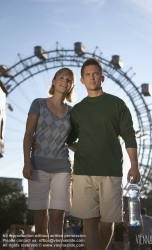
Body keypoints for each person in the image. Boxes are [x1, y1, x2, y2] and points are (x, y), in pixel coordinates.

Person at [67, 58, 140, 250]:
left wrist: (134, 165)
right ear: (82, 80)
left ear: (102, 77)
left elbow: (129, 135)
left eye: (95, 74)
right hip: (83, 172)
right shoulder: (77, 110)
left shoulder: (117, 104)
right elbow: (68, 139)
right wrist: (80, 150)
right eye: (88, 75)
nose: (92, 78)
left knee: (108, 223)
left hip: (111, 171)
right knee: (89, 221)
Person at [22, 67, 75, 250]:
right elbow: (29, 134)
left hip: (62, 167)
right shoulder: (38, 103)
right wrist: (27, 162)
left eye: (69, 80)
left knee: (57, 217)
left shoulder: (71, 112)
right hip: (38, 166)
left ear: (71, 86)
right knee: (40, 219)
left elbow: (71, 141)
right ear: (53, 81)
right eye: (61, 77)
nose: (64, 81)